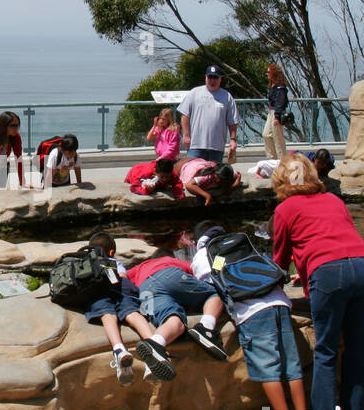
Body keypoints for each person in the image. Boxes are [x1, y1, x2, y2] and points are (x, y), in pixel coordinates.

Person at [271, 153, 364, 410]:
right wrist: (308, 272)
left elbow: (279, 260)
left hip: (329, 274)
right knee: (357, 347)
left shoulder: (285, 208)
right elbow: (338, 238)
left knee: (326, 350)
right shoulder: (334, 200)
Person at [192, 222, 308, 410]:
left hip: (252, 312)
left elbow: (208, 287)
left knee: (268, 369)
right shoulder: (240, 244)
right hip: (280, 304)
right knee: (292, 366)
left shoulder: (203, 255)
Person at [70, 232, 161, 384]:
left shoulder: (86, 262)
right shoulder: (113, 261)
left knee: (107, 315)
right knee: (132, 312)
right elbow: (123, 278)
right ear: (111, 252)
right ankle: (153, 345)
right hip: (121, 287)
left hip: (97, 290)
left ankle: (119, 349)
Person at [125, 247, 226, 381]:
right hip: (171, 275)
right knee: (214, 296)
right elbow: (196, 273)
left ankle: (156, 342)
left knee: (173, 320)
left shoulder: (139, 267)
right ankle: (206, 328)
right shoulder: (171, 260)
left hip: (145, 289)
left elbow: (124, 277)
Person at [178, 64, 240, 163]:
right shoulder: (194, 93)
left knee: (214, 176)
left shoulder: (227, 97)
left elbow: (232, 121)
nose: (212, 80)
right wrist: (186, 135)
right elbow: (185, 115)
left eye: (215, 77)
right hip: (195, 145)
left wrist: (233, 139)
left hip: (216, 147)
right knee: (193, 173)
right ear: (205, 78)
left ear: (220, 79)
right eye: (210, 77)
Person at [176, 157, 240, 206]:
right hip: (186, 166)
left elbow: (238, 174)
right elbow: (189, 185)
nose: (224, 183)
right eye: (222, 180)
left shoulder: (229, 174)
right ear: (215, 175)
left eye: (226, 181)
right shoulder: (207, 177)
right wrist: (206, 195)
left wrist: (236, 183)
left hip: (200, 162)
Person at [263, 64, 288, 160]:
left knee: (278, 138)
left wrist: (277, 117)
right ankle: (272, 158)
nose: (267, 74)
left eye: (269, 72)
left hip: (276, 113)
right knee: (266, 135)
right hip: (271, 113)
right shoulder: (273, 86)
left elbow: (280, 102)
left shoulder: (280, 88)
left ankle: (282, 160)